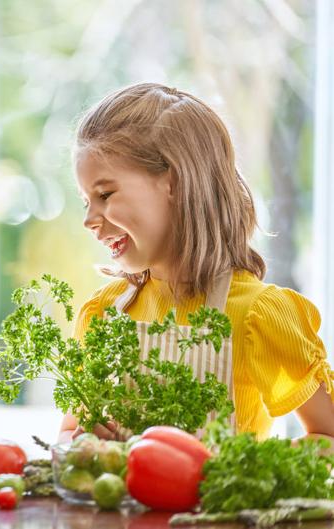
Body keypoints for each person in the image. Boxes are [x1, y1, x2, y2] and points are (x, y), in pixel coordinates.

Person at [60, 82, 334, 443]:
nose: (89, 220)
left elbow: (328, 435)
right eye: (86, 201)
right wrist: (82, 441)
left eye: (105, 194)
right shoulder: (103, 313)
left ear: (174, 182)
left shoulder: (257, 315)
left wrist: (258, 469)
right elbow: (68, 431)